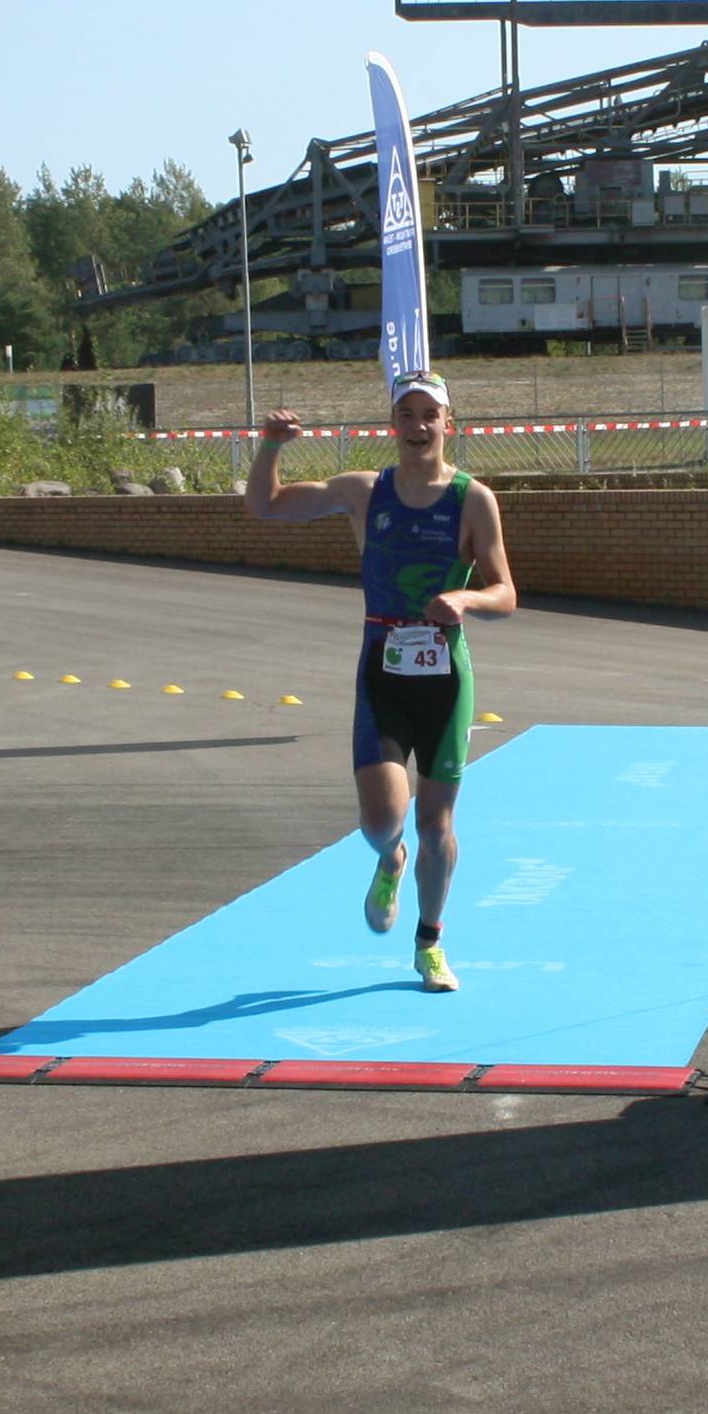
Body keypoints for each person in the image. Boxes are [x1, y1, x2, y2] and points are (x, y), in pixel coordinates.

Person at [245, 371, 516, 992]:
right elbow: (266, 506)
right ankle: (389, 860)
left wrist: (467, 600)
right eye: (407, 415)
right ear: (392, 425)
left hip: (445, 681)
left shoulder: (473, 500)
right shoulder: (366, 492)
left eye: (430, 415)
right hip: (382, 673)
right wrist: (270, 447)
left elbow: (505, 593)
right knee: (381, 822)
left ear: (448, 424)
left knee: (436, 826)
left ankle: (429, 944)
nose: (419, 426)